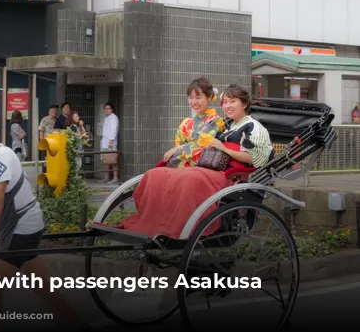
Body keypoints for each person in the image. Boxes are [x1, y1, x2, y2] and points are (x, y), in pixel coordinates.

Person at [0, 109, 86, 332]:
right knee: (41, 285)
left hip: (24, 227)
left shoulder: (0, 156)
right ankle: (76, 324)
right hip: (25, 225)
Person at [117, 84, 273, 240]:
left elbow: (253, 159)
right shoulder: (229, 126)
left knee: (188, 179)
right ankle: (154, 223)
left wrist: (223, 148)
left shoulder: (253, 127)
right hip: (212, 169)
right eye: (225, 102)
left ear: (244, 104)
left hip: (230, 176)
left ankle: (179, 229)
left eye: (232, 101)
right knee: (156, 174)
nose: (227, 106)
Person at [160, 77, 225, 168]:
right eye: (191, 97)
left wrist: (178, 148)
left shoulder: (215, 121)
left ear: (209, 97)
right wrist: (178, 149)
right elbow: (179, 143)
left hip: (199, 167)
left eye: (198, 97)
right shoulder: (186, 122)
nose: (194, 102)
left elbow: (204, 145)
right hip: (179, 164)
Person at [99, 103, 120, 184]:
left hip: (110, 142)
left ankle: (115, 178)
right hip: (104, 142)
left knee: (113, 160)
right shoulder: (107, 118)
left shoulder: (114, 118)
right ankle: (106, 177)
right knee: (106, 160)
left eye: (108, 108)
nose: (106, 110)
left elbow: (114, 129)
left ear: (112, 109)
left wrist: (111, 140)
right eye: (105, 108)